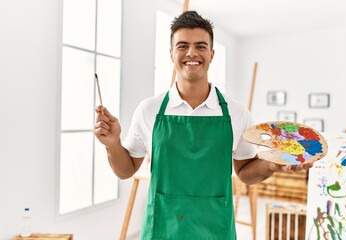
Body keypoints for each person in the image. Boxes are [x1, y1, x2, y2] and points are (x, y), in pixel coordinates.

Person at [93, 10, 313, 239]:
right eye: (182, 46)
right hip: (162, 228)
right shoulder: (149, 109)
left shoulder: (237, 112)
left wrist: (271, 165)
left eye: (200, 46)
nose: (191, 53)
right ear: (171, 53)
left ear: (211, 54)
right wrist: (112, 143)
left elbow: (245, 173)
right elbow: (126, 170)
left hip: (215, 228)